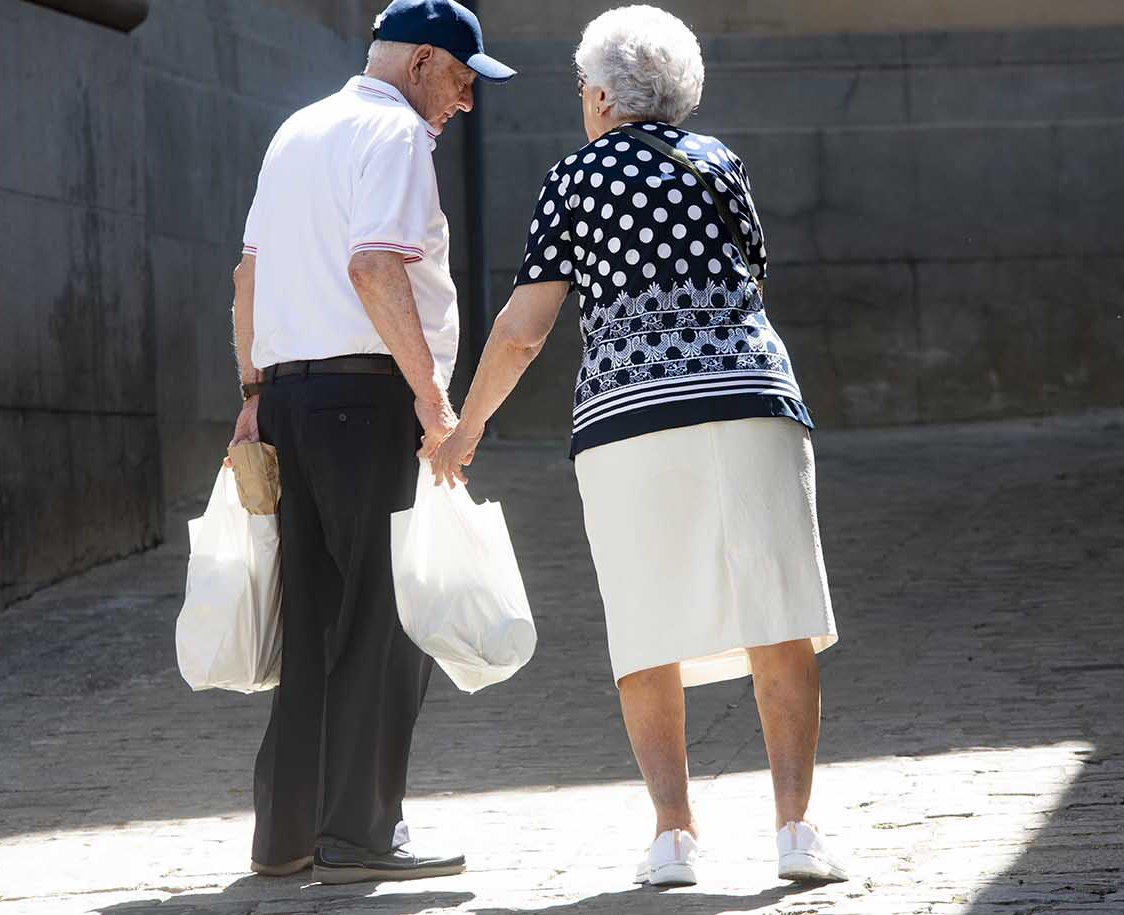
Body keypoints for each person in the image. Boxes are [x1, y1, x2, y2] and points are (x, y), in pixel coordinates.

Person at [431, 4, 846, 888]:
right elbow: (752, 275)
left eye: (584, 86)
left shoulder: (575, 177)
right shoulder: (720, 164)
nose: (582, 99)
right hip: (750, 398)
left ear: (605, 95)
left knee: (645, 624)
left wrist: (466, 428)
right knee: (780, 617)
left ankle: (673, 836)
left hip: (630, 418)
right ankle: (798, 830)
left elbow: (523, 328)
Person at [227, 0, 514, 885]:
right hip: (366, 398)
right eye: (463, 80)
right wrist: (434, 401)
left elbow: (247, 273)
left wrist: (250, 396)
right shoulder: (392, 137)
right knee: (385, 618)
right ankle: (360, 833)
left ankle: (287, 834)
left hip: (289, 399)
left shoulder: (297, 129)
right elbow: (373, 265)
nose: (464, 102)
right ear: (425, 62)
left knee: (314, 616)